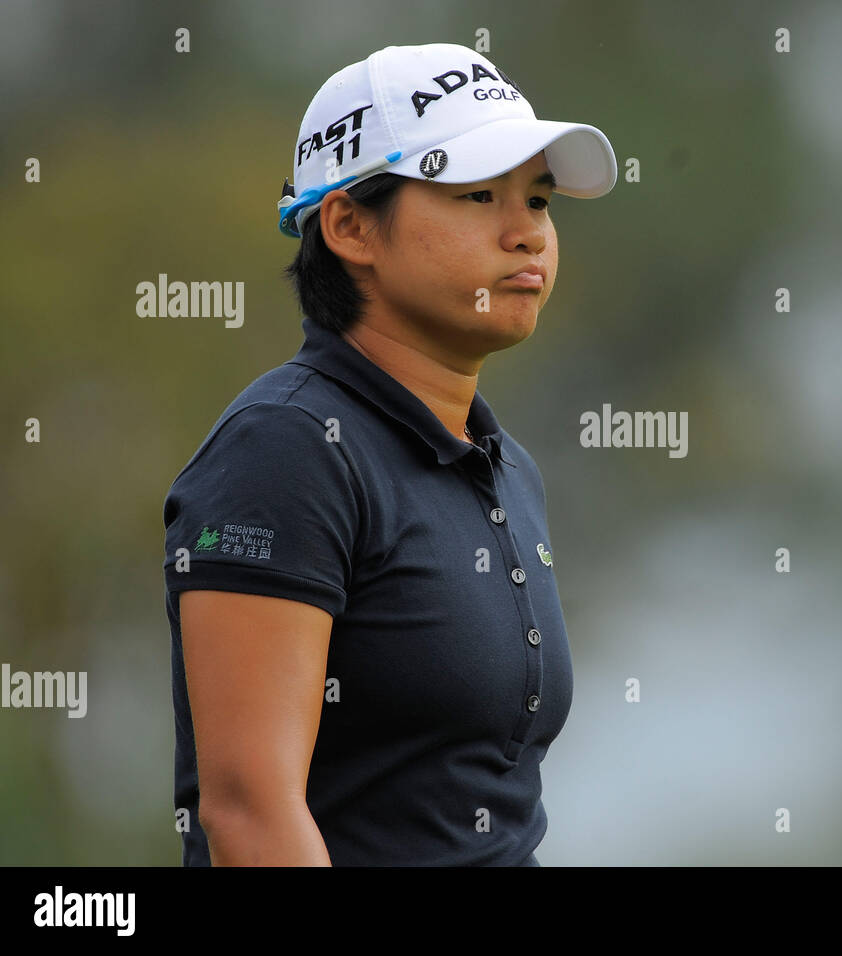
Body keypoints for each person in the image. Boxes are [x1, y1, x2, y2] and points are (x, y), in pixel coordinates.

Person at [162, 43, 617, 865]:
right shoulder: (286, 450)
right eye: (479, 195)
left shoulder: (505, 464)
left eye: (540, 201)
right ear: (349, 226)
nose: (528, 236)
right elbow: (250, 815)